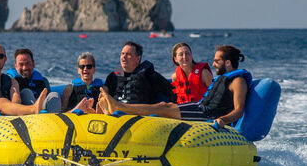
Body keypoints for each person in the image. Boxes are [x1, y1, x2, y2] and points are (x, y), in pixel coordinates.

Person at [98, 45, 250, 129]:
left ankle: (119, 108)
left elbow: (239, 110)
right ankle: (119, 108)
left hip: (209, 115)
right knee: (165, 106)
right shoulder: (224, 79)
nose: (213, 64)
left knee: (164, 107)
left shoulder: (238, 81)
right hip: (201, 107)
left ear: (228, 63)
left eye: (217, 61)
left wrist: (222, 120)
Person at [102, 41, 174, 105]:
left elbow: (171, 91)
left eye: (128, 54)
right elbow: (104, 96)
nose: (124, 56)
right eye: (122, 53)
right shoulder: (112, 77)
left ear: (138, 58)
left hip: (141, 114)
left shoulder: (150, 75)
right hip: (116, 113)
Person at [4, 48, 61, 113]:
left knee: (54, 94)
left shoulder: (43, 81)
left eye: (28, 63)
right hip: (24, 113)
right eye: (21, 64)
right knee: (26, 92)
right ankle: (34, 114)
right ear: (15, 65)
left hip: (43, 112)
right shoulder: (10, 80)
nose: (25, 67)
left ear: (33, 64)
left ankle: (54, 119)